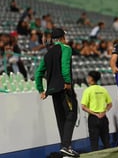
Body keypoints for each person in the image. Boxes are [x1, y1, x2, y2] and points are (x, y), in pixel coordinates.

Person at [35, 28, 79, 157]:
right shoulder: (66, 48)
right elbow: (65, 67)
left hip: (53, 91)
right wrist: (67, 82)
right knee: (71, 114)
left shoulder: (48, 53)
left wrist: (41, 90)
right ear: (62, 37)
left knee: (61, 119)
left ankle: (65, 149)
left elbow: (38, 73)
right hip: (64, 88)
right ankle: (66, 146)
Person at [81, 71, 113, 152]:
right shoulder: (103, 89)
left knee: (94, 144)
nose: (87, 78)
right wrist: (104, 112)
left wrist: (95, 114)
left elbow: (83, 107)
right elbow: (110, 104)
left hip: (93, 118)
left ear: (91, 79)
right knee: (106, 142)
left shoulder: (87, 90)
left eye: (88, 77)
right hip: (103, 118)